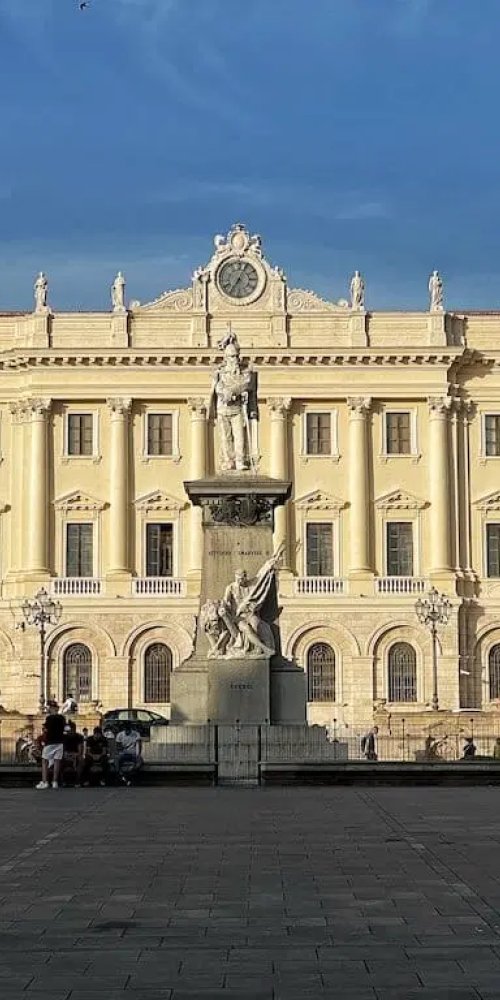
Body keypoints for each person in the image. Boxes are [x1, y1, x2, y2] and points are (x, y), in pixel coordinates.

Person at [36, 701, 66, 789]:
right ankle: (55, 782)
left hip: (50, 741)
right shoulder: (62, 718)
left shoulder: (49, 718)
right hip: (60, 741)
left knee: (45, 761)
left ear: (52, 708)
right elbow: (64, 727)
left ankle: (45, 781)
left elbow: (46, 729)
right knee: (57, 761)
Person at [115, 721, 142, 785]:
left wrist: (138, 755)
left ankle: (128, 776)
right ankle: (122, 775)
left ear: (131, 729)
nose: (127, 731)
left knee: (139, 762)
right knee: (116, 761)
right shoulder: (120, 735)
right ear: (124, 729)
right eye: (126, 729)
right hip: (123, 754)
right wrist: (121, 751)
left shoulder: (136, 734)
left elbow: (139, 745)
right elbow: (118, 747)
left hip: (133, 754)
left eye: (128, 729)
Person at [62, 720, 85, 785]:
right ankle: (62, 780)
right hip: (66, 754)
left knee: (80, 760)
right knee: (59, 760)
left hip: (76, 754)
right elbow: (62, 750)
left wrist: (74, 755)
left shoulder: (79, 737)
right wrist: (66, 755)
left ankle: (78, 779)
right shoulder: (64, 737)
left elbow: (80, 750)